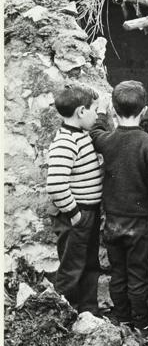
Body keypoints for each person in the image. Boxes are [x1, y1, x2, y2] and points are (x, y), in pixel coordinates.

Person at [90, 81, 148, 333]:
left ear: (114, 110)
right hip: (138, 224)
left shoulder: (107, 140)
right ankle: (141, 323)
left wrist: (101, 114)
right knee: (137, 275)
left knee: (118, 274)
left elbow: (95, 132)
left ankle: (121, 318)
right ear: (144, 111)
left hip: (112, 221)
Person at [46, 82, 103, 314]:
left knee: (90, 264)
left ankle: (88, 312)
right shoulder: (65, 142)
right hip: (76, 215)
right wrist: (74, 213)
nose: (97, 115)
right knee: (72, 267)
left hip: (88, 213)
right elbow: (56, 185)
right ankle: (62, 314)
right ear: (81, 112)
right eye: (95, 110)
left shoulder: (81, 136)